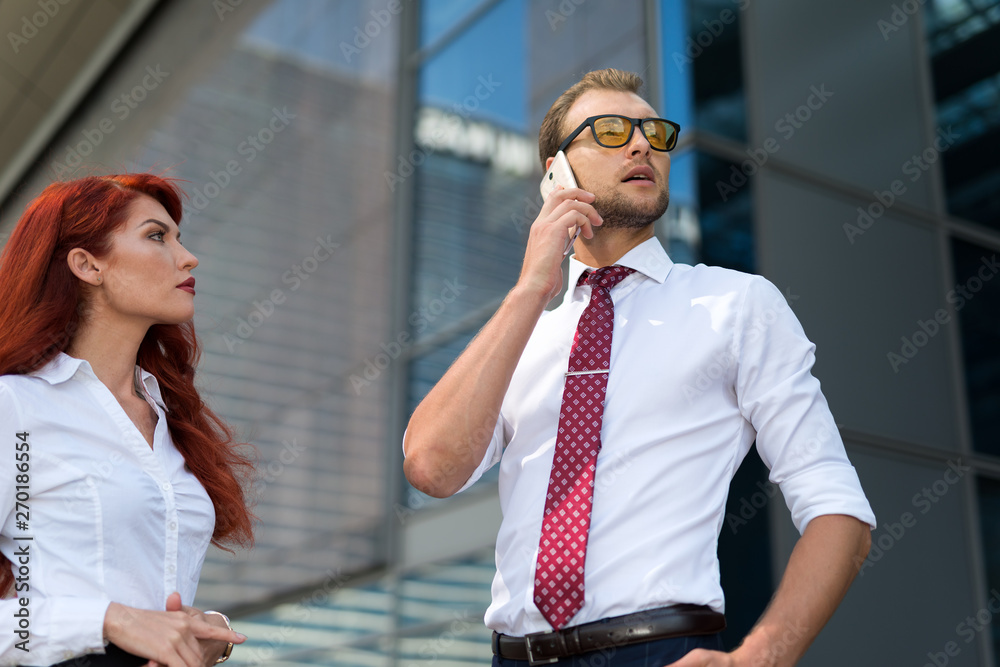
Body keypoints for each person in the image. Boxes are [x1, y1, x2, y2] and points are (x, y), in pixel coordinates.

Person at [402, 69, 875, 666]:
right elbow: (431, 468)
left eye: (654, 131)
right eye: (610, 131)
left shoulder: (735, 305)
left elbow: (840, 511)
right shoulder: (524, 336)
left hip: (657, 650)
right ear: (556, 172)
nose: (641, 144)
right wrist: (529, 289)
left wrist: (757, 659)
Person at [0, 174, 255, 666]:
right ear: (87, 264)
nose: (188, 257)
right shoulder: (16, 407)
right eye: (157, 236)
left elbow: (159, 604)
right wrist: (110, 620)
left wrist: (212, 633)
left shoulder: (172, 418)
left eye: (179, 238)